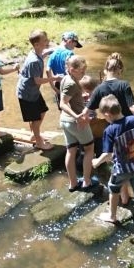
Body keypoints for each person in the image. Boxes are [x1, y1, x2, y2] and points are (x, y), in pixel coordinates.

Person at [82, 52, 134, 205]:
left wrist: (86, 120)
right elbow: (133, 107)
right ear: (120, 71)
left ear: (104, 71)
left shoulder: (99, 89)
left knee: (119, 164)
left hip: (114, 131)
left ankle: (124, 198)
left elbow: (88, 111)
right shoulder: (124, 85)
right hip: (130, 126)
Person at [92, 94, 134, 244]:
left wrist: (96, 162)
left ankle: (112, 216)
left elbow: (108, 154)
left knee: (113, 189)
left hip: (121, 169)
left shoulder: (110, 130)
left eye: (104, 116)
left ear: (107, 114)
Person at [59, 55, 95, 192]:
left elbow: (69, 96)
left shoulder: (67, 78)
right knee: (89, 149)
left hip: (65, 121)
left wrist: (81, 96)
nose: (84, 73)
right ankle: (86, 181)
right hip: (75, 122)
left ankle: (73, 183)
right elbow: (63, 103)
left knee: (71, 150)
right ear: (72, 69)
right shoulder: (72, 83)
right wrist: (77, 116)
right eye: (82, 71)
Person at [16, 29, 54, 150]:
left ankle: (34, 133)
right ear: (37, 44)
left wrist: (47, 52)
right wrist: (54, 79)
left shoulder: (36, 54)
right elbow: (37, 81)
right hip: (27, 93)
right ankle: (39, 142)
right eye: (45, 40)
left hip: (33, 92)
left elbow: (40, 56)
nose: (47, 41)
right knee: (36, 118)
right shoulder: (34, 61)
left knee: (42, 111)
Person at [46, 31, 82, 108]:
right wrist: (80, 87)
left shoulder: (53, 53)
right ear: (69, 41)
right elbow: (72, 71)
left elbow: (47, 70)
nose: (73, 48)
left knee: (63, 108)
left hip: (58, 84)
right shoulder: (69, 53)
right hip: (69, 83)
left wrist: (53, 87)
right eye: (74, 45)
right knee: (75, 108)